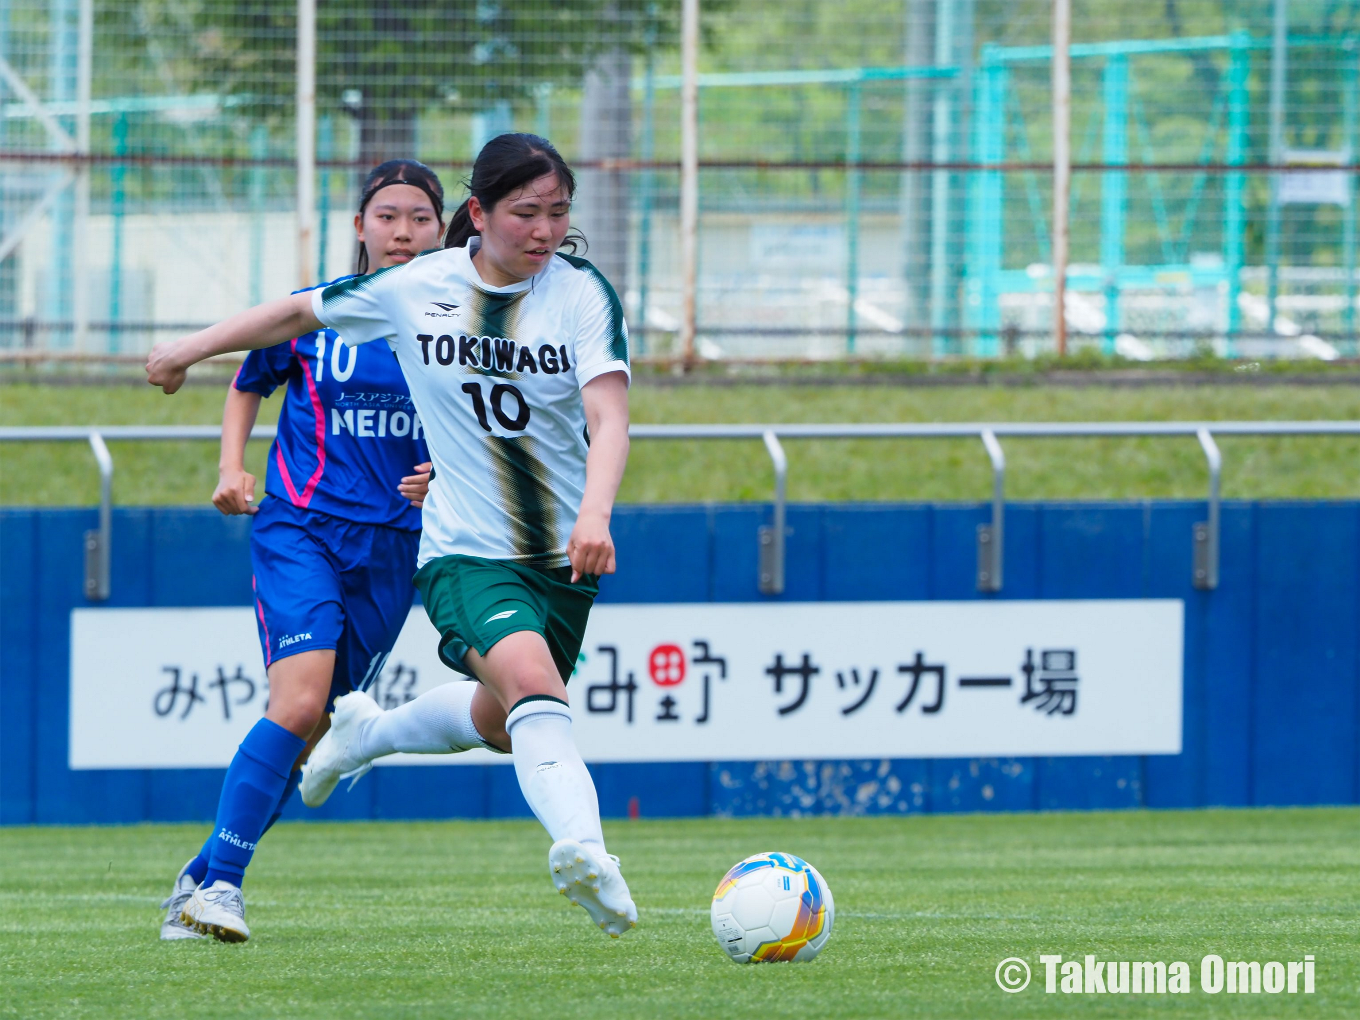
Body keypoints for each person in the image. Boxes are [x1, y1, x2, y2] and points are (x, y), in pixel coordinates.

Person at [147, 133, 637, 939]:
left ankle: (366, 737)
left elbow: (606, 416)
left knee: (494, 718)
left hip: (505, 551)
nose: (545, 231)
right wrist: (191, 351)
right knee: (492, 694)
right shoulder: (410, 292)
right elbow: (290, 316)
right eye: (526, 213)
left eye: (558, 213)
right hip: (427, 548)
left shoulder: (580, 293)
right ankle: (585, 852)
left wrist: (588, 511)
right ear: (479, 215)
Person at [157, 159, 445, 943]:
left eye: (420, 217)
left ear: (446, 230)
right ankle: (223, 887)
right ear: (360, 227)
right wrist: (229, 466)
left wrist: (442, 479)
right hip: (302, 527)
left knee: (315, 727)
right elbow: (250, 379)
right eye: (388, 215)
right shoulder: (319, 312)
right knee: (298, 703)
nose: (403, 231)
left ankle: (201, 875)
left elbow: (488, 435)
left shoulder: (458, 333)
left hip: (395, 548)